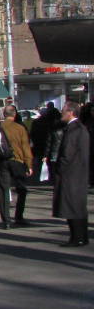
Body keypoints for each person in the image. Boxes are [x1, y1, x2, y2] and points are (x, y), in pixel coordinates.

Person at [52, 101, 89, 246]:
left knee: (72, 206)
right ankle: (81, 237)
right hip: (78, 172)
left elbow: (67, 153)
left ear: (71, 112)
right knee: (78, 206)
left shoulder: (73, 130)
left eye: (63, 111)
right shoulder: (79, 128)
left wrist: (59, 169)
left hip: (71, 174)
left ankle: (77, 238)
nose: (61, 113)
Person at [0, 104, 33, 228]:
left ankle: (6, 220)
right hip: (17, 161)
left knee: (4, 190)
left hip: (2, 162)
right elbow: (26, 147)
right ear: (15, 114)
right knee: (21, 189)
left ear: (4, 115)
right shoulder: (20, 128)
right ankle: (19, 216)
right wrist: (29, 164)